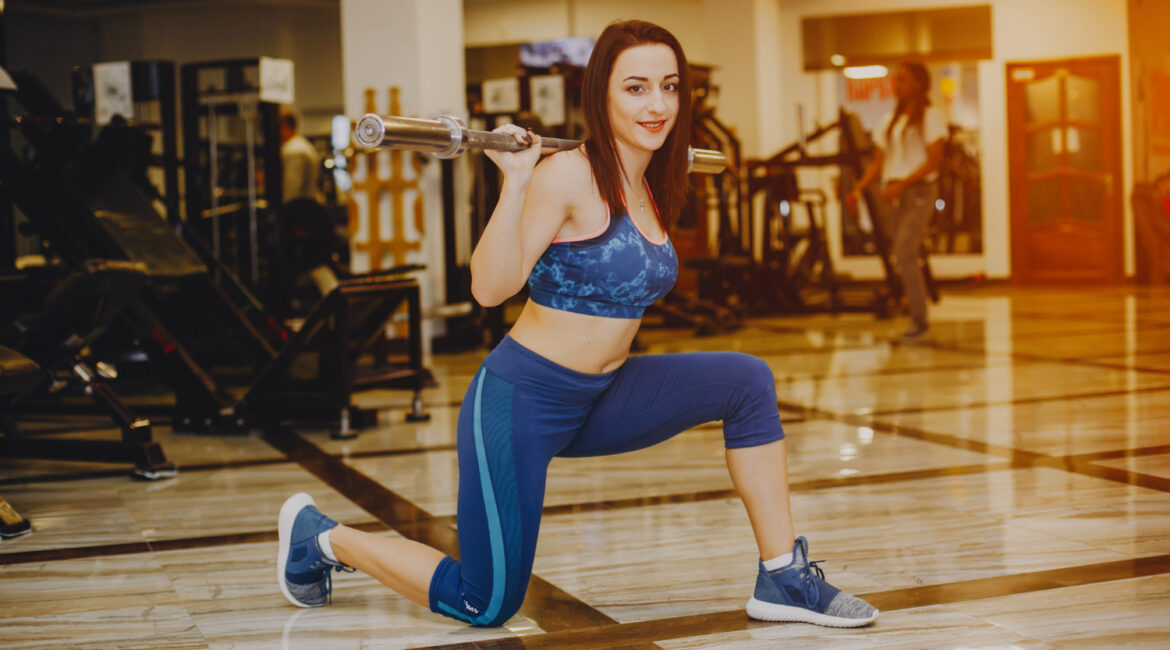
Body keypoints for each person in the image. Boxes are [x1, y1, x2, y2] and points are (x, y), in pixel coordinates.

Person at [276, 20, 878, 629]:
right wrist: (514, 183)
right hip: (522, 400)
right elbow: (489, 289)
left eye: (669, 87)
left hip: (604, 393)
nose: (657, 104)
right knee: (484, 602)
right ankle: (322, 539)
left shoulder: (648, 183)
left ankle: (782, 577)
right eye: (636, 88)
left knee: (746, 382)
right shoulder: (566, 175)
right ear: (601, 95)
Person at [848, 62, 947, 344]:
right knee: (901, 254)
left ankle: (920, 322)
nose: (896, 85)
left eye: (902, 79)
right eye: (895, 80)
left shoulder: (930, 116)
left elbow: (934, 161)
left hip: (919, 192)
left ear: (918, 83)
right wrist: (858, 189)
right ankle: (913, 313)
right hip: (896, 196)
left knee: (904, 251)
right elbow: (878, 163)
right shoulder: (889, 121)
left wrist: (902, 184)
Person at [279, 110, 322, 204]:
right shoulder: (302, 145)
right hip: (308, 206)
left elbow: (292, 190)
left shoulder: (293, 150)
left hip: (301, 211)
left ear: (285, 127)